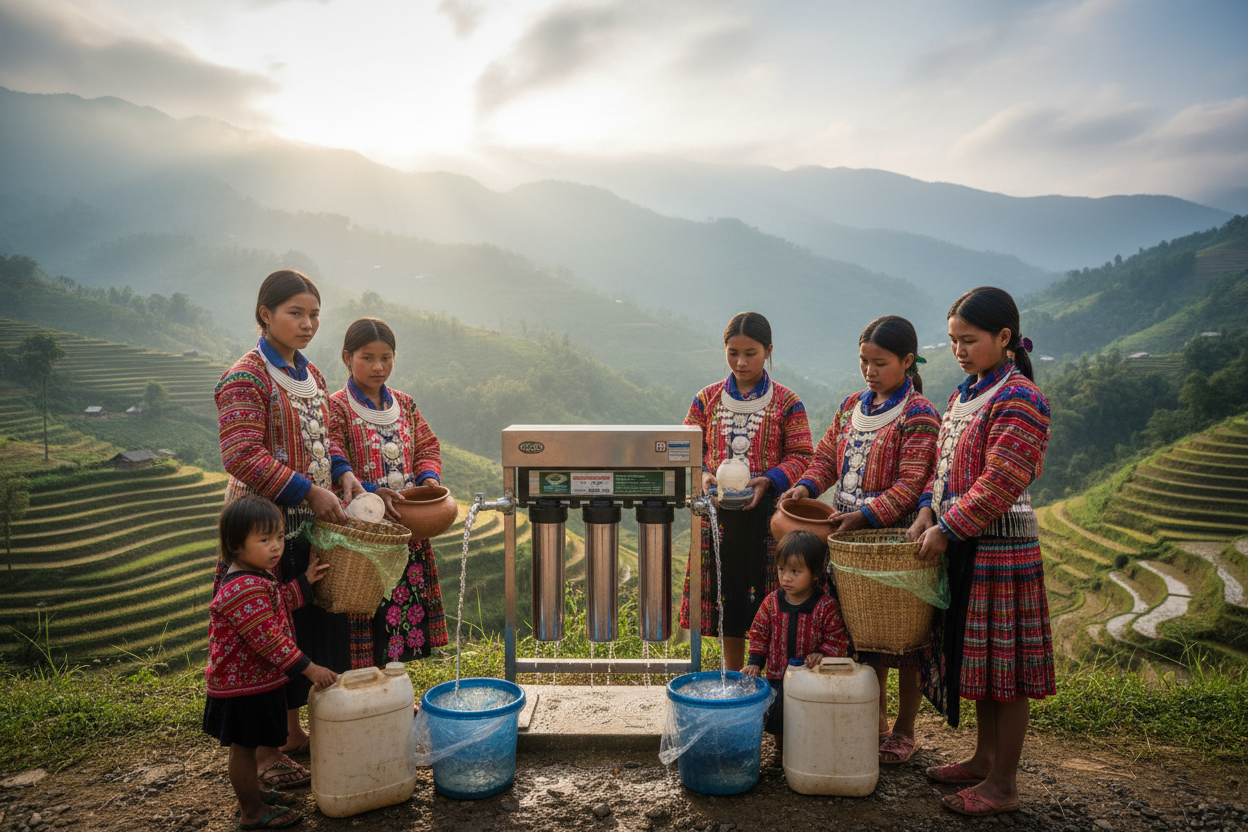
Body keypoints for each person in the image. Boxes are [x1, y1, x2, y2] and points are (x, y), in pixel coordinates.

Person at [215, 269, 367, 783]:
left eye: (314, 314)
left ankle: (293, 733)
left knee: (305, 623)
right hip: (264, 532)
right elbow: (241, 454)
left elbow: (328, 437)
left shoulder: (313, 376)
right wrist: (307, 490)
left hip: (310, 527)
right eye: (295, 313)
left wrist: (341, 476)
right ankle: (264, 754)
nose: (308, 324)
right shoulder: (246, 377)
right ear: (265, 314)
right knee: (271, 632)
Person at [908, 286, 1054, 818]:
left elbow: (1001, 481)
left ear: (1005, 338)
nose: (959, 351)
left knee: (1005, 669)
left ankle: (1004, 785)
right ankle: (984, 759)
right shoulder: (963, 395)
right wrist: (927, 510)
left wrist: (947, 526)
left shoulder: (1019, 398)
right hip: (968, 544)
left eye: (969, 340)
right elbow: (941, 469)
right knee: (984, 661)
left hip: (1002, 550)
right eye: (952, 341)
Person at [780, 315, 940, 764]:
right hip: (849, 542)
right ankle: (874, 720)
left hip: (896, 544)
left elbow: (913, 483)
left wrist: (865, 515)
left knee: (903, 640)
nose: (870, 371)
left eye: (880, 363)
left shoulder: (919, 414)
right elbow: (827, 456)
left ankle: (906, 729)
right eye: (864, 361)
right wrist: (807, 488)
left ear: (907, 362)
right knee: (862, 638)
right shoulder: (853, 404)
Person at [679, 312, 813, 672]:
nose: (741, 362)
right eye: (733, 352)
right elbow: (686, 450)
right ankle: (733, 675)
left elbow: (803, 455)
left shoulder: (787, 402)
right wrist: (705, 474)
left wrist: (768, 480)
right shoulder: (705, 400)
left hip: (768, 520)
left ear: (768, 351)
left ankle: (766, 679)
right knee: (727, 599)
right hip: (717, 519)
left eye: (751, 353)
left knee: (770, 600)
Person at [203, 497, 338, 830]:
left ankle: (257, 795)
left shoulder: (256, 577)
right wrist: (310, 669)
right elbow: (270, 640)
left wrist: (304, 582)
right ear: (235, 545)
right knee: (245, 749)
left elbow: (278, 603)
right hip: (242, 689)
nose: (276, 547)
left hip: (256, 682)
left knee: (249, 746)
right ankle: (251, 810)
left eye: (278, 537)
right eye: (264, 540)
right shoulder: (244, 589)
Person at [328, 317, 448, 667]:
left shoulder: (405, 405)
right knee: (364, 615)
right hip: (362, 536)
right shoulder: (336, 407)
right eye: (367, 357)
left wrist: (428, 480)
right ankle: (364, 695)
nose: (378, 367)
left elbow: (427, 446)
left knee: (402, 617)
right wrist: (369, 490)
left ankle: (394, 693)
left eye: (386, 357)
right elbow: (332, 456)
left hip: (408, 530)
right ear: (347, 357)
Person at [742, 530, 848, 757]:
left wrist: (823, 654)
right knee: (779, 721)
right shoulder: (771, 603)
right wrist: (755, 662)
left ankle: (807, 758)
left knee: (810, 720)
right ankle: (782, 755)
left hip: (813, 681)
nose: (786, 577)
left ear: (816, 573)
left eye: (795, 571)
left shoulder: (825, 606)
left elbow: (836, 637)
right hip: (777, 677)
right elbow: (759, 633)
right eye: (782, 569)